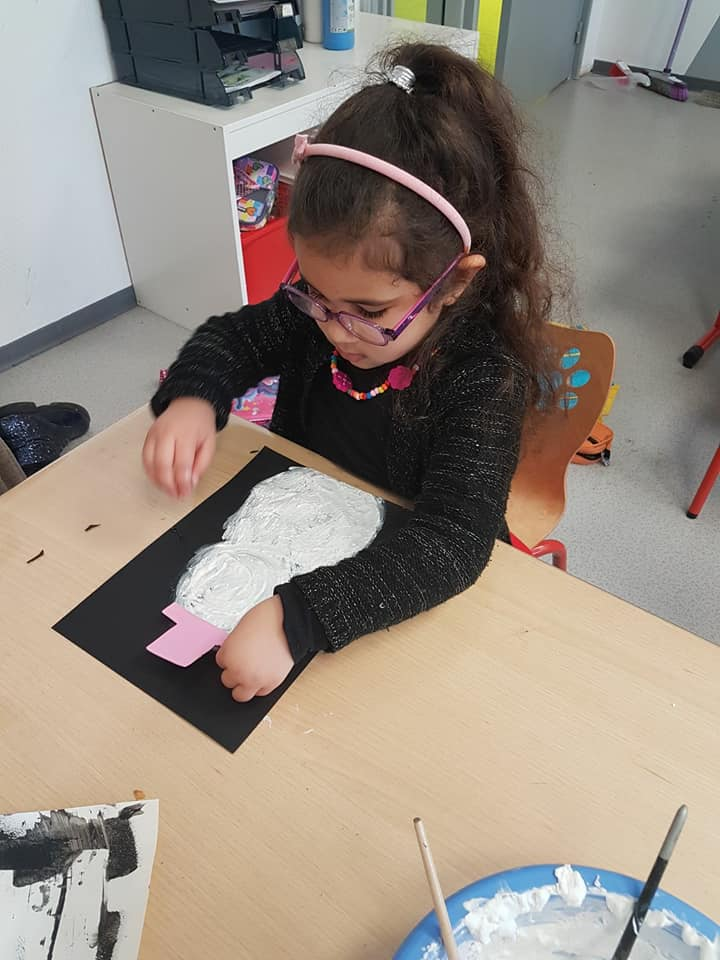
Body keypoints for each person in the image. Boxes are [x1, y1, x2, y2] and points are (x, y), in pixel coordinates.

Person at [144, 42, 556, 702]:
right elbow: (234, 339)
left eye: (369, 312)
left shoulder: (482, 378)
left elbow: (451, 542)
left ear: (453, 283)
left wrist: (299, 619)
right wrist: (194, 397)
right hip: (300, 524)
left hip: (401, 590)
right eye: (315, 293)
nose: (335, 329)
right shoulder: (321, 314)